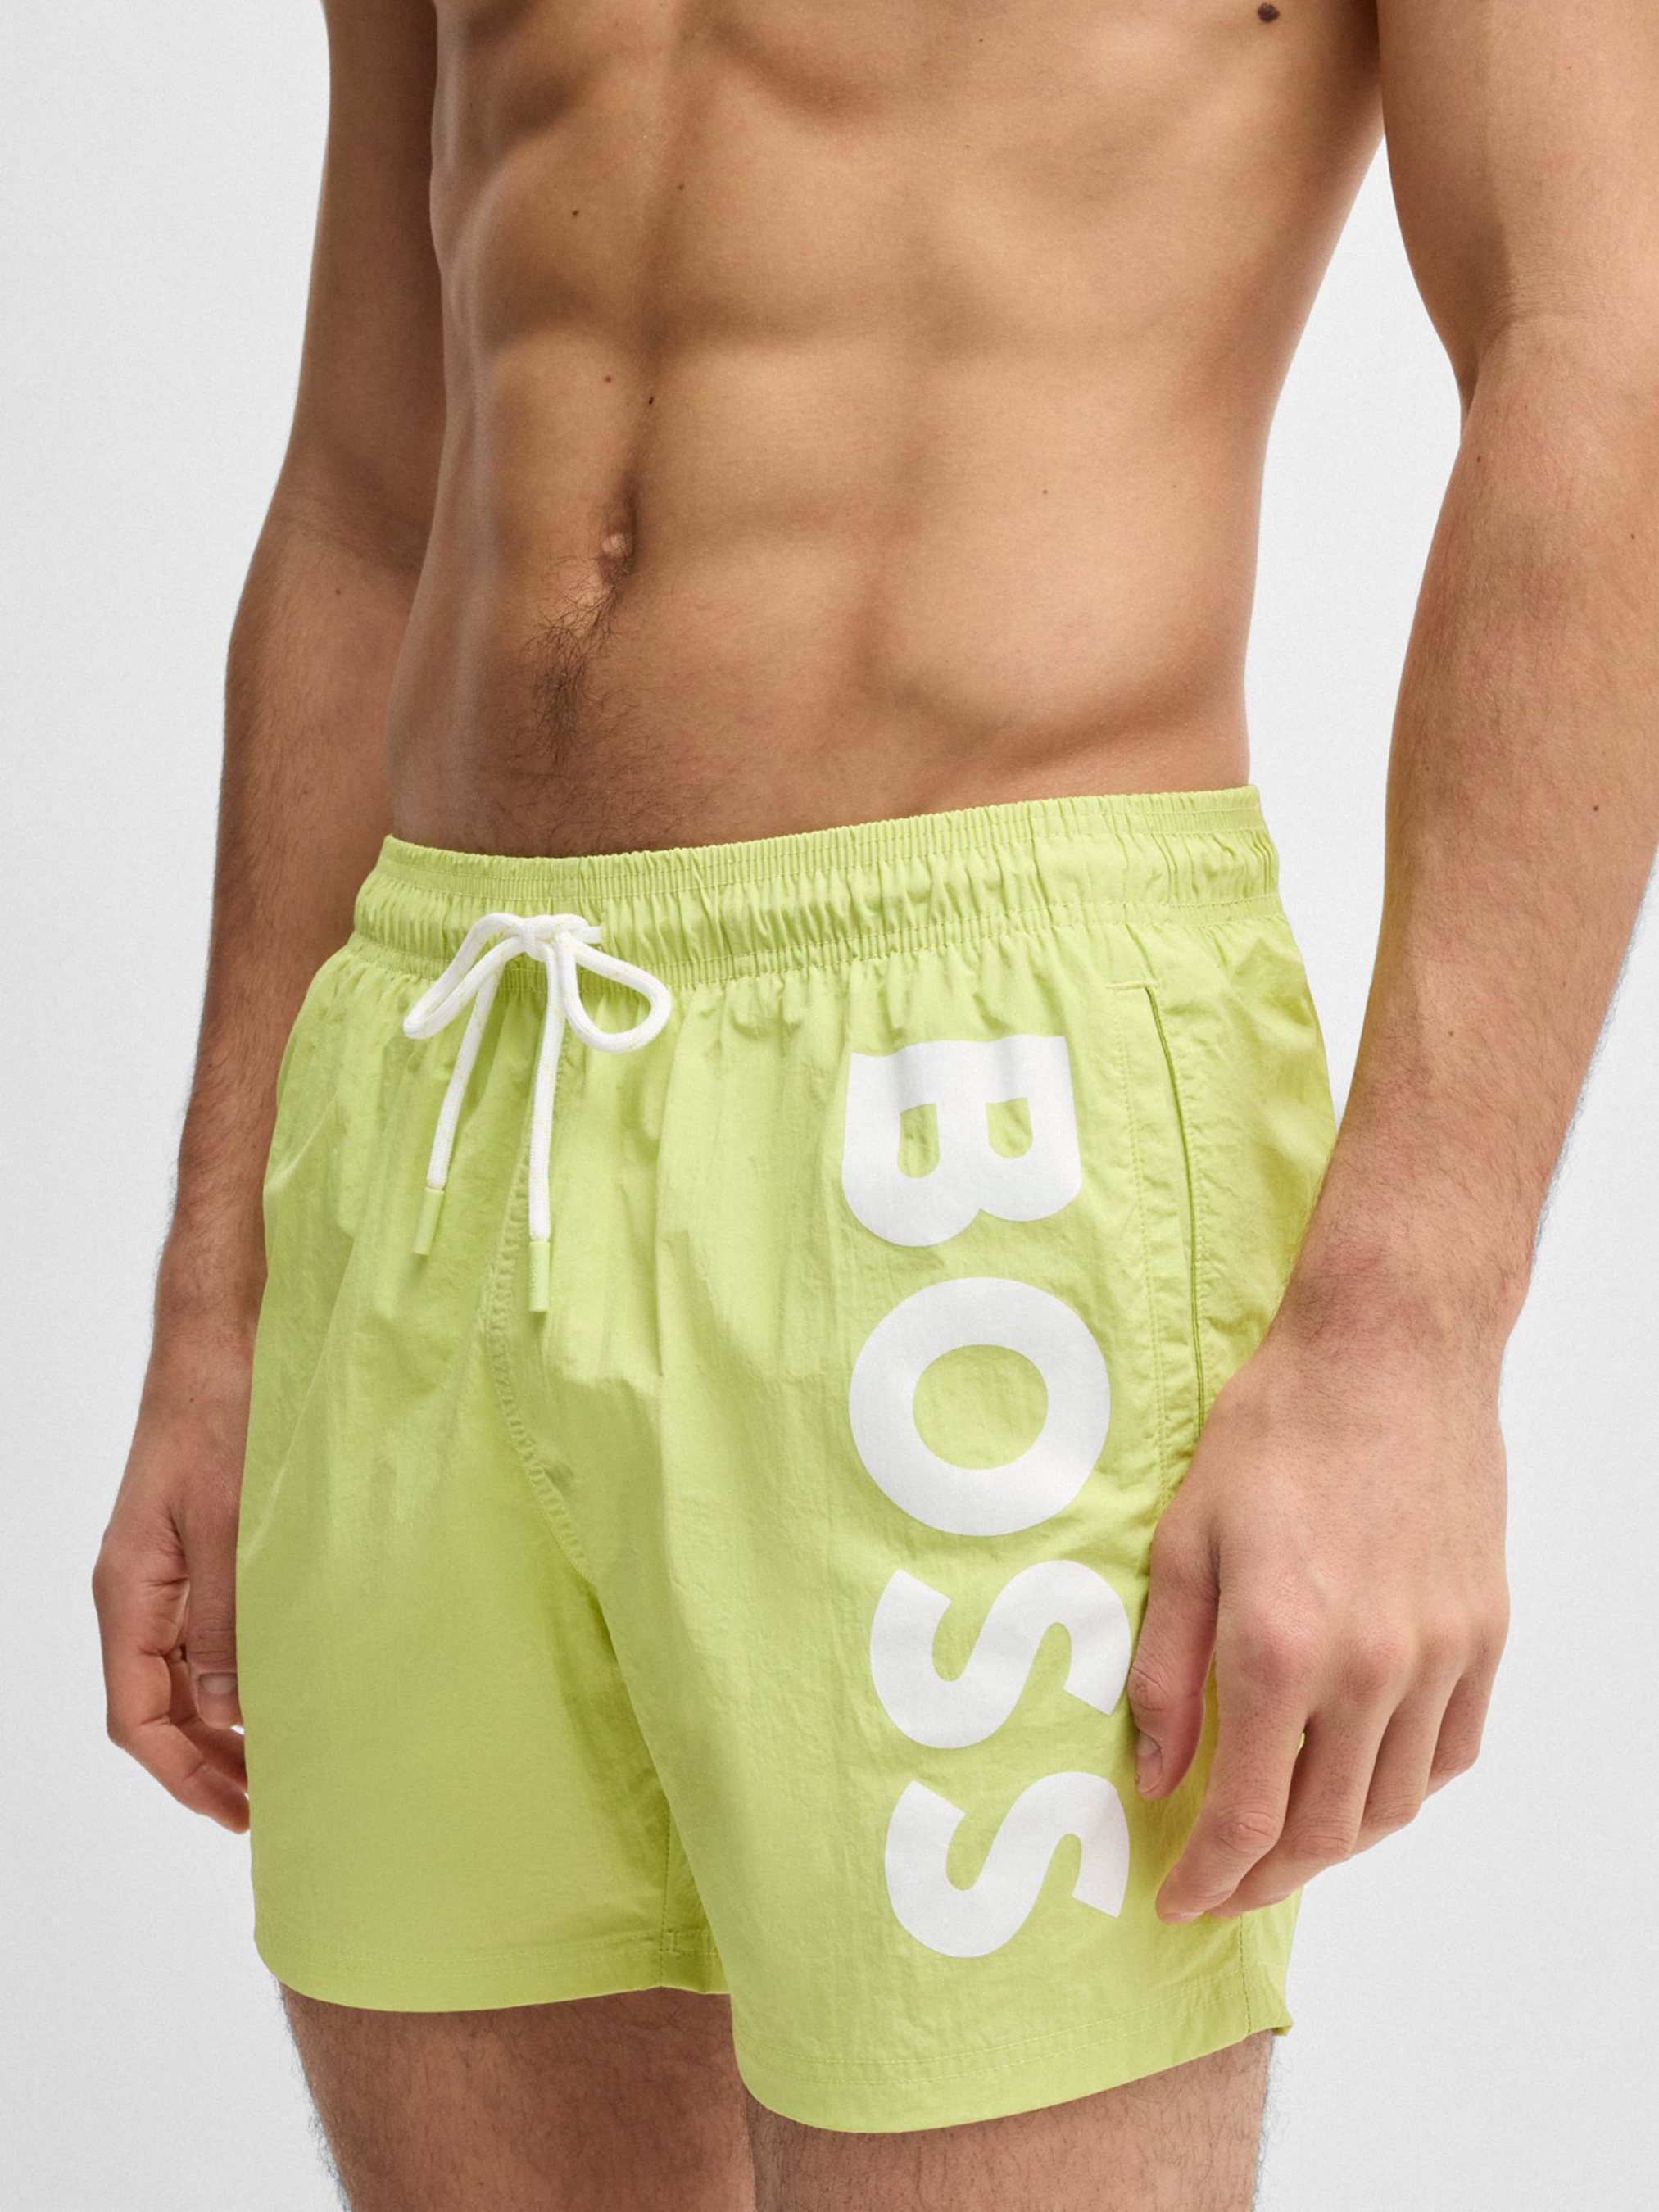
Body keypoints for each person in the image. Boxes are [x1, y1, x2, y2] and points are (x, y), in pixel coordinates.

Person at [93, 2, 1658, 2205]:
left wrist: (1410, 1329)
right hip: (441, 1073)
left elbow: (1603, 350)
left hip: (968, 1107)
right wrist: (221, 1290)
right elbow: (373, 460)